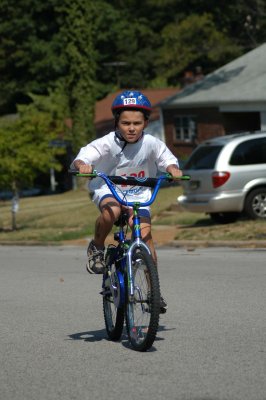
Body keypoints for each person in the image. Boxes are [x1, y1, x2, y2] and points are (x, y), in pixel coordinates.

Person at [71, 90, 182, 313]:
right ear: (117, 123)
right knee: (111, 212)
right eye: (126, 123)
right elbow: (83, 156)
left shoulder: (151, 143)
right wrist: (82, 165)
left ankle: (154, 293)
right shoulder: (106, 143)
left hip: (138, 195)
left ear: (145, 123)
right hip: (107, 188)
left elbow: (167, 160)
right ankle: (97, 246)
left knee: (146, 236)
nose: (131, 128)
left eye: (137, 123)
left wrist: (173, 169)